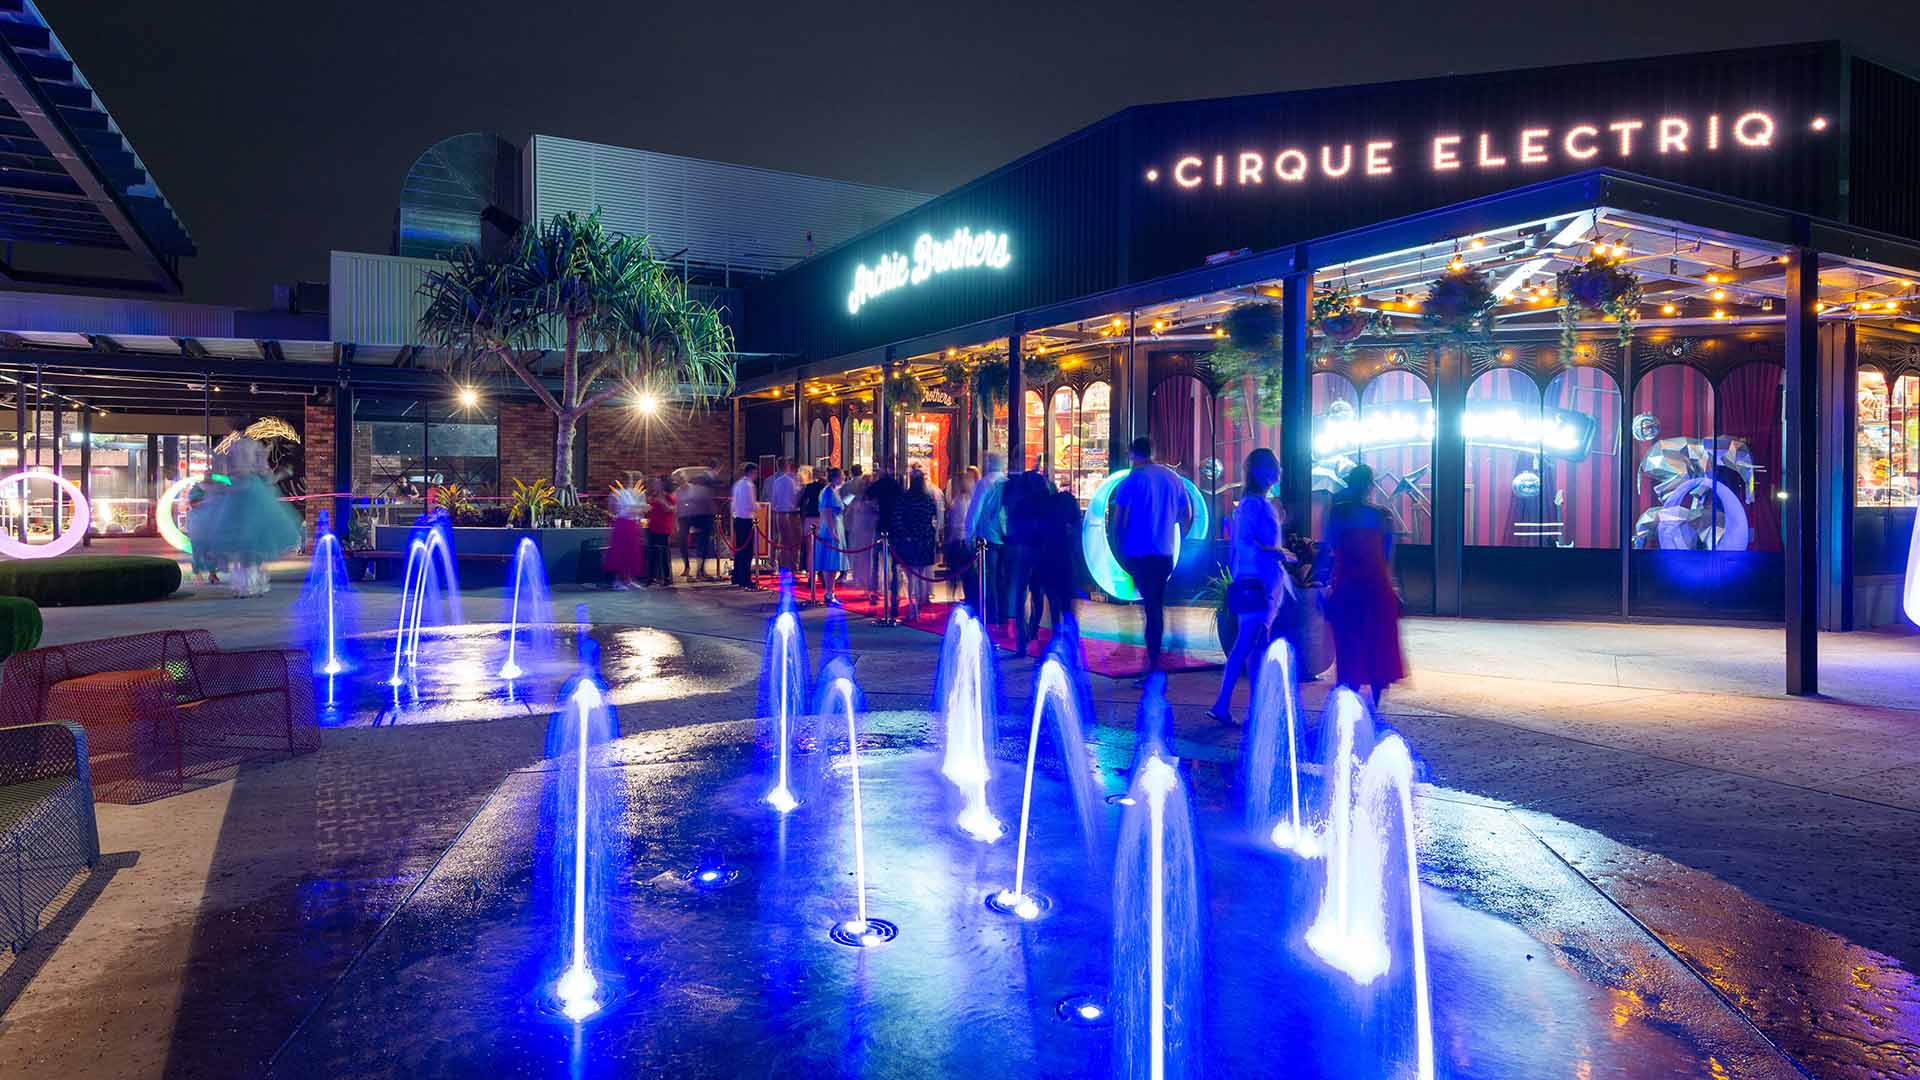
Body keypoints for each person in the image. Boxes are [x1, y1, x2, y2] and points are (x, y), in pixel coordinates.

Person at [1207, 449, 1294, 724]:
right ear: (1260, 472)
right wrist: (1276, 552)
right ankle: (1225, 704)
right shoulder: (1254, 505)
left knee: (1253, 645)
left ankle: (1255, 707)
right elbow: (1248, 542)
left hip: (1254, 580)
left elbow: (1241, 544)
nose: (1278, 472)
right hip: (1257, 582)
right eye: (1272, 467)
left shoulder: (1252, 504)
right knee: (1248, 643)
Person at [1109, 436, 1193, 681]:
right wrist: (1177, 535)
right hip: (1164, 552)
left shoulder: (1131, 480)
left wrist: (1119, 548)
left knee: (1151, 607)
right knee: (1155, 603)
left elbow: (1119, 520)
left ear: (1132, 454)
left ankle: (1153, 664)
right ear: (1153, 451)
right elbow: (1186, 514)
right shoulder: (1172, 478)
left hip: (1139, 552)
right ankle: (1157, 657)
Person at [1322, 464, 1406, 708]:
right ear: (1371, 486)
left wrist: (1324, 583)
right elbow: (1388, 555)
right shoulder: (1382, 515)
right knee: (1378, 646)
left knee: (1349, 644)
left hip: (1349, 586)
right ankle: (1374, 708)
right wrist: (1395, 587)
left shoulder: (1339, 514)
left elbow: (1330, 550)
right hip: (1376, 588)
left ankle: (1348, 700)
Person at [193, 436, 302, 598]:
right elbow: (264, 473)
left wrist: (215, 482)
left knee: (238, 542)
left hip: (235, 494)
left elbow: (224, 474)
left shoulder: (231, 449)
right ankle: (255, 583)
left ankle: (242, 585)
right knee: (255, 540)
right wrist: (279, 475)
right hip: (254, 492)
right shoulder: (255, 447)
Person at [1001, 458, 1054, 655]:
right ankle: (1033, 628)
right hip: (1041, 549)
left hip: (1022, 548)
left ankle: (1022, 640)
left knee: (1020, 594)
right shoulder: (1046, 502)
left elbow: (1012, 523)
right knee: (1038, 593)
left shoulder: (1020, 503)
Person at [1023, 488, 1082, 657]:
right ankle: (1071, 640)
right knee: (1067, 604)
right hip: (1065, 562)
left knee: (1051, 603)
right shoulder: (1070, 526)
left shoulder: (1046, 515)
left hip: (1048, 562)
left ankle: (1052, 637)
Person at [890, 466, 941, 621]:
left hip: (910, 540)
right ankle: (918, 604)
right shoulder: (928, 499)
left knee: (911, 576)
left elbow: (897, 519)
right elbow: (933, 518)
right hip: (925, 540)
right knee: (921, 575)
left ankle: (913, 610)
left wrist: (904, 535)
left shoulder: (904, 498)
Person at [965, 453, 1008, 622]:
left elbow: (975, 510)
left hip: (988, 536)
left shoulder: (984, 483)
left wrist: (969, 534)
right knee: (1002, 577)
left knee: (989, 577)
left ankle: (992, 613)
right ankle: (1004, 614)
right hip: (1005, 536)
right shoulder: (1007, 483)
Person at [865, 464, 904, 609]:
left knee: (875, 561)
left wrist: (873, 508)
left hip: (881, 525)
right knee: (895, 565)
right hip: (894, 527)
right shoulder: (897, 485)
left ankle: (874, 592)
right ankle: (894, 596)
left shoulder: (879, 484)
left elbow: (866, 497)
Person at [813, 467, 847, 606]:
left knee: (834, 563)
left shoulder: (833, 491)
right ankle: (828, 592)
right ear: (836, 477)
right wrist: (833, 531)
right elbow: (827, 512)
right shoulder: (827, 492)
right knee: (830, 562)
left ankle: (830, 592)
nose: (844, 478)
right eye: (842, 476)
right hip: (831, 528)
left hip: (836, 525)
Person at [944, 466, 978, 606]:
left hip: (959, 541)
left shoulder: (958, 501)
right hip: (965, 541)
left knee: (960, 573)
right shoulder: (968, 500)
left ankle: (963, 598)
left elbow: (956, 523)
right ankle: (969, 599)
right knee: (967, 573)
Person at [604, 484, 646, 590]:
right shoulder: (616, 494)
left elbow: (641, 510)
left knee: (631, 552)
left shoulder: (635, 493)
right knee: (620, 551)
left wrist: (639, 510)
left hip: (633, 525)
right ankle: (617, 581)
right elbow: (613, 510)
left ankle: (628, 579)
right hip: (622, 525)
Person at [767, 458, 803, 575]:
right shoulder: (792, 481)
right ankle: (792, 566)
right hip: (791, 513)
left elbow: (773, 499)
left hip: (777, 513)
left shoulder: (776, 481)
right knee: (792, 541)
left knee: (779, 540)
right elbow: (796, 498)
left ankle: (779, 565)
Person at [678, 469, 715, 581]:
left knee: (701, 543)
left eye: (682, 479)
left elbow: (697, 503)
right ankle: (687, 566)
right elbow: (678, 506)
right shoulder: (678, 491)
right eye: (679, 480)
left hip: (694, 516)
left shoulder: (693, 489)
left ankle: (700, 570)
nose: (681, 481)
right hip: (684, 518)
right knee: (683, 542)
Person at [845, 464, 875, 591]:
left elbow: (846, 501)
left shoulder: (850, 486)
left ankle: (859, 578)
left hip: (857, 523)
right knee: (868, 554)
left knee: (857, 551)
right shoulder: (870, 494)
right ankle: (867, 579)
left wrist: (852, 505)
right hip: (867, 524)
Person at [730, 462, 759, 589]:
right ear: (751, 472)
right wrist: (758, 507)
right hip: (747, 519)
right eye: (756, 473)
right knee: (747, 552)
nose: (757, 475)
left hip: (737, 518)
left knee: (739, 550)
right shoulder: (749, 485)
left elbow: (733, 503)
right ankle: (745, 579)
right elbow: (752, 504)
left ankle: (736, 576)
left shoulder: (737, 484)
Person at [643, 478, 676, 587]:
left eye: (657, 483)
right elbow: (649, 510)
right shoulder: (653, 496)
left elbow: (672, 509)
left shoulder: (668, 497)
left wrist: (662, 502)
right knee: (652, 553)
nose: (655, 485)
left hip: (664, 528)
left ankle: (666, 578)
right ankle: (651, 578)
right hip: (653, 527)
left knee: (663, 553)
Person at [799, 468, 826, 595]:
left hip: (810, 518)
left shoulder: (809, 487)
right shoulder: (826, 488)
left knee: (811, 550)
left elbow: (801, 503)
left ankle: (811, 576)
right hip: (822, 519)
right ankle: (823, 575)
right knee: (824, 549)